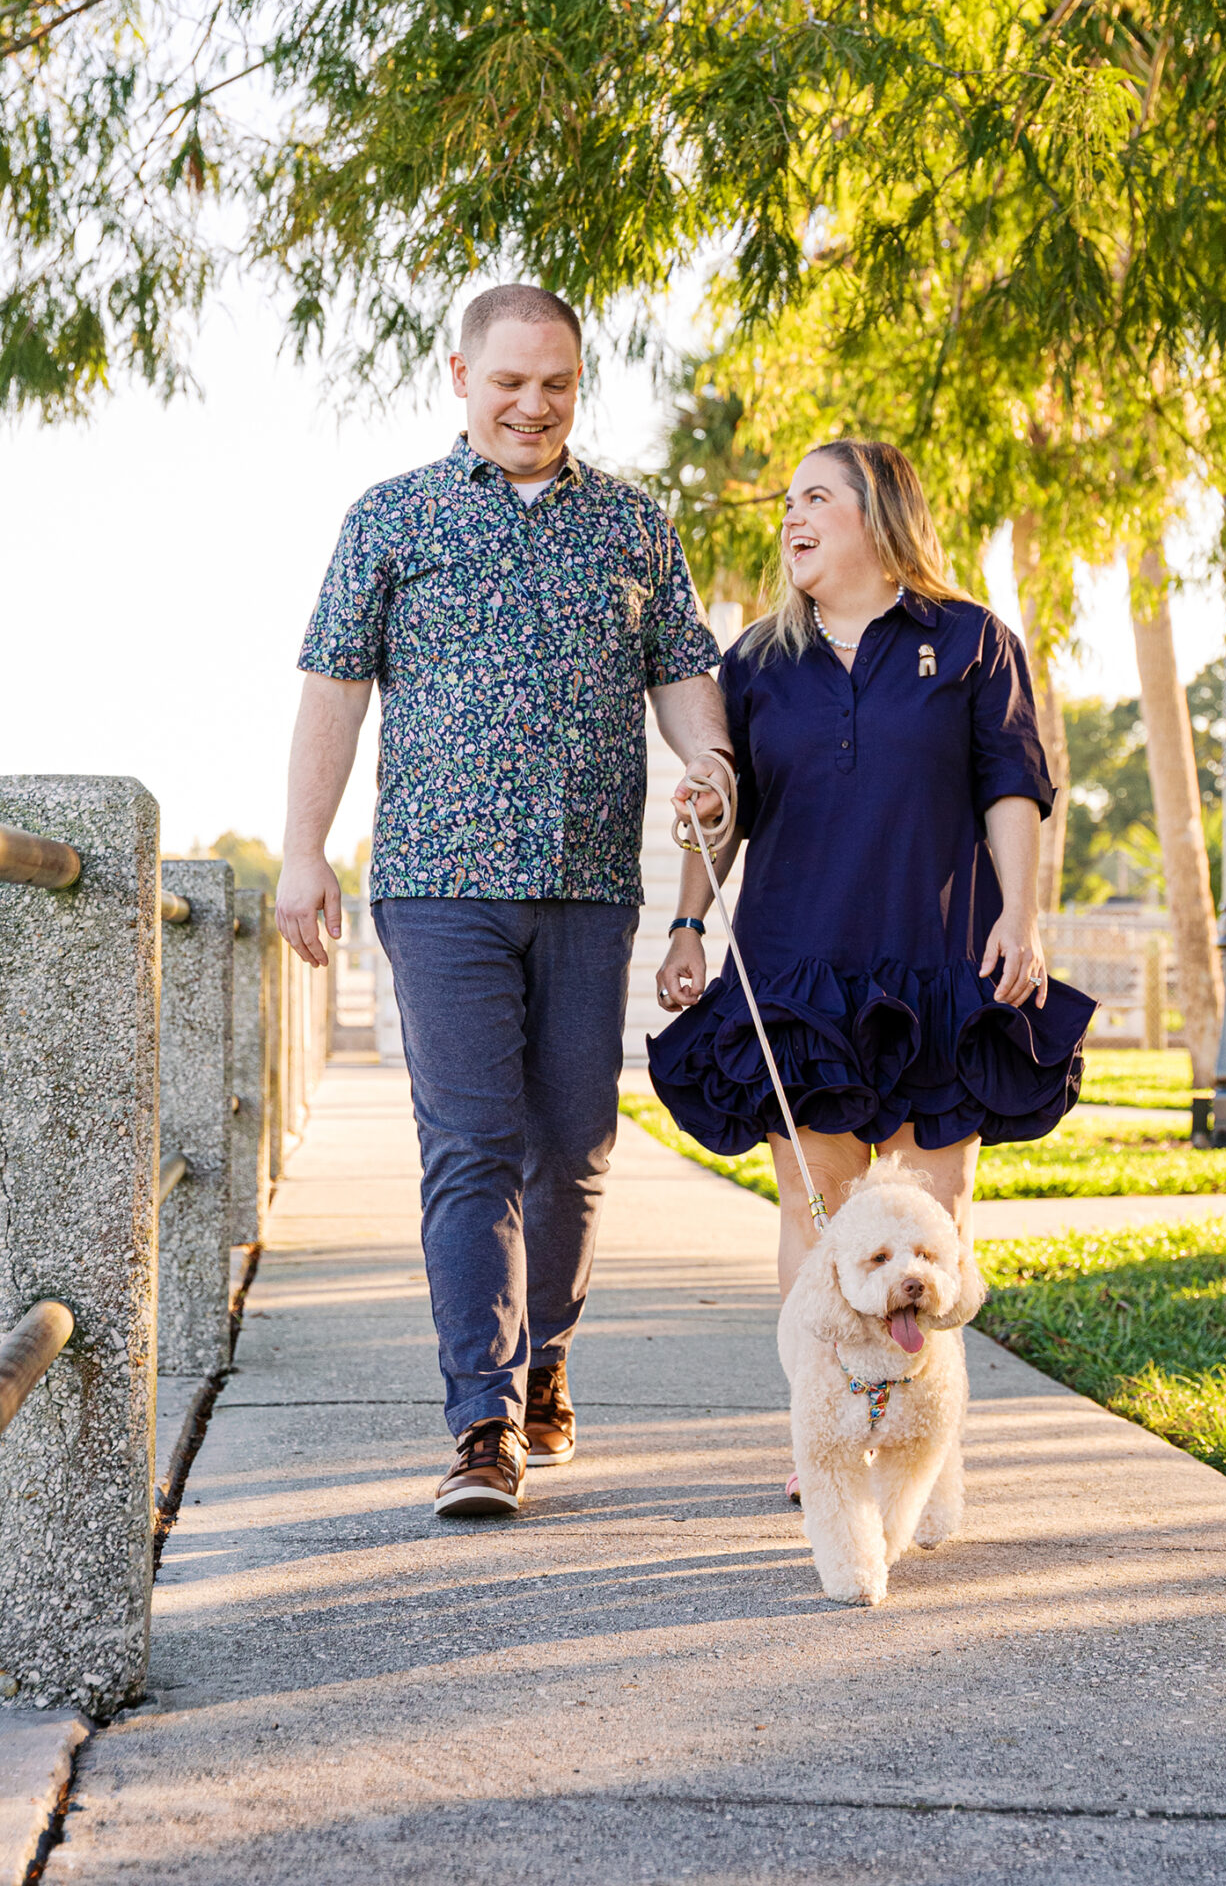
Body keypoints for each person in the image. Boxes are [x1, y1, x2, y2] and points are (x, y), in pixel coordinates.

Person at [276, 284, 730, 1520]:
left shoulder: (635, 525)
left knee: (575, 1145)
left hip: (590, 883)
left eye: (557, 384)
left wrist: (712, 763)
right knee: (470, 1146)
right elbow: (333, 689)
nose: (533, 405)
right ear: (463, 378)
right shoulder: (393, 517)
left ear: (579, 382)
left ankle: (544, 1355)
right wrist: (302, 850)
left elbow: (687, 677)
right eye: (510, 383)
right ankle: (480, 1418)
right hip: (435, 883)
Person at [650, 437, 1094, 1302]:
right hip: (794, 976)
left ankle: (911, 1437)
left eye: (816, 498)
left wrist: (1019, 918)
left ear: (878, 512)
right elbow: (723, 809)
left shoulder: (972, 641)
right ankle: (827, 1431)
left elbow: (1012, 785)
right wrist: (686, 926)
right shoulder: (755, 661)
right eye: (788, 501)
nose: (791, 515)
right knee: (819, 1219)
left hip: (936, 967)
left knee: (933, 1224)